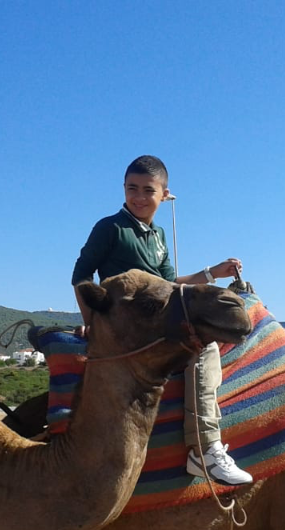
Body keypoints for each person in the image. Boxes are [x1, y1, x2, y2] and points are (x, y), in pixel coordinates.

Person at [71, 155, 252, 486]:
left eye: (147, 191)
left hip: (156, 316)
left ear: (164, 194)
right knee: (203, 347)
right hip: (129, 322)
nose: (139, 197)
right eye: (132, 189)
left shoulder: (158, 237)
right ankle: (205, 448)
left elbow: (170, 286)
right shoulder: (110, 228)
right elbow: (81, 277)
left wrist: (212, 273)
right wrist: (95, 324)